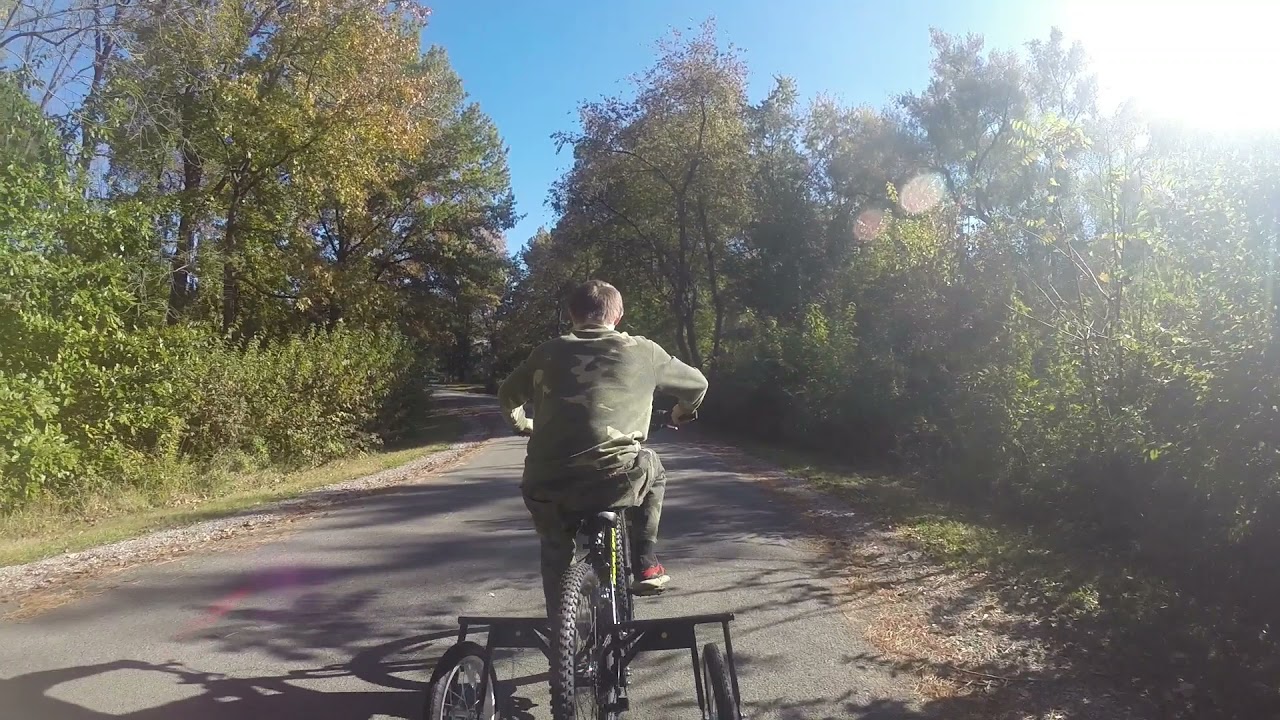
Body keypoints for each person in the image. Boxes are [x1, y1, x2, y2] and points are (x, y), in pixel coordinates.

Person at [498, 279, 708, 614]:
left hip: (547, 482)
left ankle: (560, 636)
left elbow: (507, 396)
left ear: (571, 314)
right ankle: (644, 561)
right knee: (652, 465)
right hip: (614, 477)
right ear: (619, 315)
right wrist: (682, 412)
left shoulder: (547, 352)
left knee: (555, 550)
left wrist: (525, 426)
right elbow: (698, 384)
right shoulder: (644, 351)